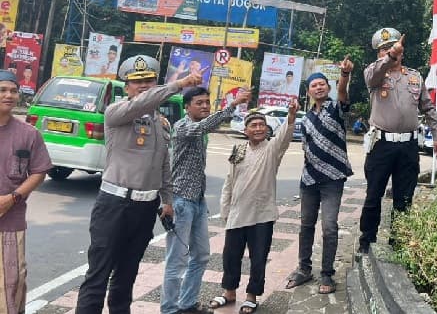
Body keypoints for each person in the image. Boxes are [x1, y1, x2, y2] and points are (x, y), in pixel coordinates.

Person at [75, 55, 202, 313]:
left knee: (127, 273)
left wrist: (167, 200)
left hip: (145, 208)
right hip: (114, 205)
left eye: (149, 80)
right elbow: (142, 104)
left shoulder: (161, 123)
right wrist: (178, 85)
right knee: (98, 273)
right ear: (127, 86)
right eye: (137, 81)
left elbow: (163, 163)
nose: (143, 86)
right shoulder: (117, 112)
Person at [161, 86, 251, 314]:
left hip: (198, 202)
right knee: (176, 260)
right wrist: (232, 105)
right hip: (180, 200)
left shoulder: (200, 130)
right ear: (186, 106)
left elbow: (205, 127)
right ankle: (170, 309)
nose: (204, 106)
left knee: (201, 255)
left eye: (206, 102)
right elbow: (203, 126)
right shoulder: (183, 127)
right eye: (199, 103)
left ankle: (187, 304)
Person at [357, 28, 437, 254]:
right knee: (374, 194)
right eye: (383, 49)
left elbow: (428, 107)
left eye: (393, 47)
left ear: (402, 50)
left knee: (404, 197)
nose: (389, 52)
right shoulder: (374, 74)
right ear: (379, 54)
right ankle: (366, 242)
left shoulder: (414, 77)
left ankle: (399, 243)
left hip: (408, 146)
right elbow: (373, 73)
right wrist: (388, 58)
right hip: (381, 144)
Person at [209, 99, 298, 313]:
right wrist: (225, 209)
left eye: (262, 125)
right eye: (254, 125)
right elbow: (229, 182)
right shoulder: (238, 150)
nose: (258, 128)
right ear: (245, 130)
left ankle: (252, 296)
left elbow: (284, 137)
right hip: (237, 213)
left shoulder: (272, 150)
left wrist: (292, 116)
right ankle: (229, 293)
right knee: (230, 256)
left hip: (262, 215)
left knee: (258, 258)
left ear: (267, 129)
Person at [285, 57, 355, 295]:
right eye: (314, 85)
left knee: (329, 227)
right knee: (306, 225)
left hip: (333, 179)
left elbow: (343, 92)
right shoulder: (305, 119)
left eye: (322, 84)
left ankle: (327, 274)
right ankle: (304, 269)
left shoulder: (336, 108)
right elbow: (305, 147)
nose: (319, 87)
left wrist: (344, 75)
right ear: (309, 91)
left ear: (328, 87)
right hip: (309, 180)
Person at [0, 69, 52, 313]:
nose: (9, 95)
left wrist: (13, 198)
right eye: (2, 90)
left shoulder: (29, 134)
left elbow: (39, 172)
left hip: (11, 221)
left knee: (12, 284)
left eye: (13, 90)